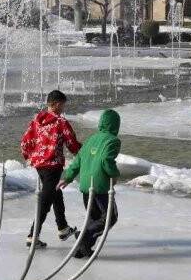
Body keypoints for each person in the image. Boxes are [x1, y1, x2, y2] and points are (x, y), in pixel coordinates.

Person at [20, 89, 82, 249]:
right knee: (46, 201)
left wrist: (31, 157)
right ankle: (32, 236)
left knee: (55, 193)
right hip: (53, 165)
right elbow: (72, 145)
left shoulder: (36, 121)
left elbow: (25, 142)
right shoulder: (61, 122)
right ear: (57, 104)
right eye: (63, 105)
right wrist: (85, 152)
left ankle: (63, 228)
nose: (64, 109)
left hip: (40, 165)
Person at [59, 109, 121, 259]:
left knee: (93, 218)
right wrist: (114, 175)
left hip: (86, 184)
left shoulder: (91, 139)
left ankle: (81, 250)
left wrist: (67, 177)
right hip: (100, 186)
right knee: (110, 218)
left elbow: (78, 160)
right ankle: (84, 236)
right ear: (116, 125)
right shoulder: (113, 140)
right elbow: (106, 160)